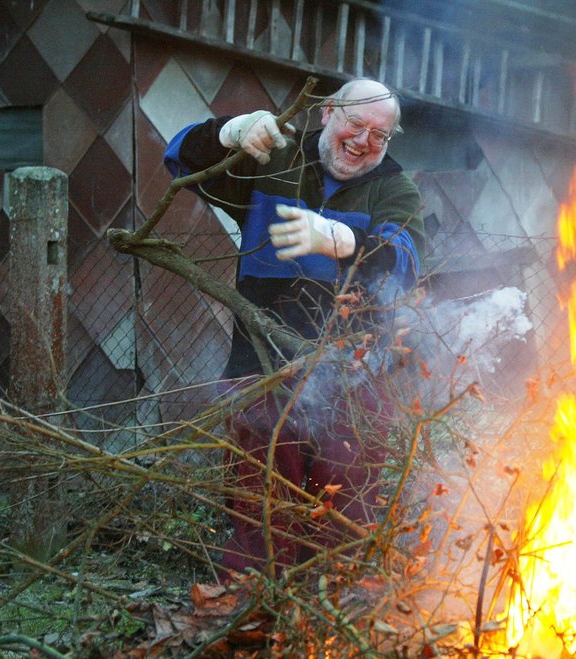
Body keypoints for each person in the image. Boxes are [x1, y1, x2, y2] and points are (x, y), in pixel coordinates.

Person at [164, 78, 426, 577]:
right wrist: (230, 132)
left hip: (355, 380)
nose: (364, 141)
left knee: (346, 516)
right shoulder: (276, 158)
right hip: (260, 367)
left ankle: (333, 621)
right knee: (260, 510)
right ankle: (252, 617)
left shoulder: (395, 188)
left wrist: (344, 239)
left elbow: (406, 261)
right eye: (355, 123)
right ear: (328, 113)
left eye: (380, 134)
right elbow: (181, 161)